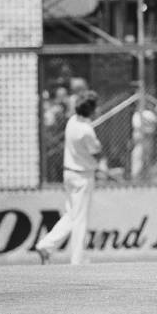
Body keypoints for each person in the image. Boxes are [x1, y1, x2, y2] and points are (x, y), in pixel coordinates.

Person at [36, 90, 102, 265]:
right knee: (80, 219)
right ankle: (77, 259)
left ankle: (46, 245)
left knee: (71, 215)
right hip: (82, 176)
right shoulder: (86, 130)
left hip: (69, 174)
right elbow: (96, 151)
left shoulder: (72, 121)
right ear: (92, 109)